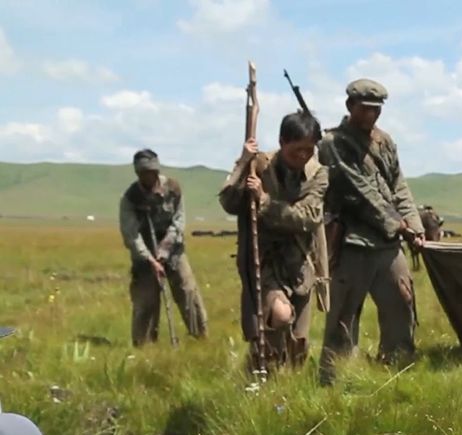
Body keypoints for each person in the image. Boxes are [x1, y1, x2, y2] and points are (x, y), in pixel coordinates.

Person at [317, 78, 424, 385]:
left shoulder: (384, 141)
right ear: (350, 106)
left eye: (376, 110)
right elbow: (359, 191)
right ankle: (336, 377)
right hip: (351, 241)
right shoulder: (333, 144)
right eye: (365, 109)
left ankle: (398, 368)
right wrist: (399, 225)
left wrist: (414, 225)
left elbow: (398, 185)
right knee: (343, 315)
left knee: (402, 304)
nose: (372, 116)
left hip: (388, 244)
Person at [219, 111, 329, 373]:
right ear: (282, 142)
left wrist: (265, 201)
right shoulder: (259, 166)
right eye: (296, 150)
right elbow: (230, 203)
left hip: (301, 263)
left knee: (297, 345)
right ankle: (260, 376)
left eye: (309, 150)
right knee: (279, 315)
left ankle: (283, 390)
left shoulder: (318, 174)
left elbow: (309, 216)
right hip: (265, 262)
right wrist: (242, 164)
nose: (303, 156)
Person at [118, 149, 208, 346]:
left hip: (173, 250)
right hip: (145, 257)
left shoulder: (173, 189)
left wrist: (164, 251)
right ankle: (145, 347)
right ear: (137, 173)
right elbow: (131, 235)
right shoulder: (130, 199)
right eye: (143, 173)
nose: (148, 176)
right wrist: (151, 259)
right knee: (145, 302)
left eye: (151, 172)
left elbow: (179, 221)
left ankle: (201, 339)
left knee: (188, 292)